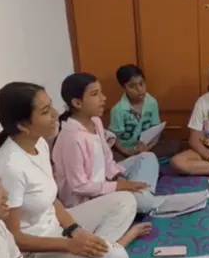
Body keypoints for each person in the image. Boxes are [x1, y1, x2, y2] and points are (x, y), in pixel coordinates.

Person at [0, 81, 150, 258]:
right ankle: (111, 250)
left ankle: (100, 252)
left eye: (51, 106)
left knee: (126, 200)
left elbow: (53, 199)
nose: (55, 115)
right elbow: (13, 239)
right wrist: (69, 245)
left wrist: (74, 231)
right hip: (34, 253)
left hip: (59, 227)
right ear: (22, 125)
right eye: (45, 111)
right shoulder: (9, 167)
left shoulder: (39, 143)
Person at [53, 72, 165, 214]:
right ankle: (142, 197)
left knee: (147, 157)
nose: (103, 98)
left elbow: (107, 159)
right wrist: (117, 186)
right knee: (144, 202)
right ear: (77, 103)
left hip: (105, 181)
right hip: (87, 199)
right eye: (95, 94)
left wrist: (118, 179)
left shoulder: (95, 121)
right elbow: (80, 187)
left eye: (101, 93)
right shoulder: (72, 138)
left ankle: (140, 194)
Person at [109, 64, 162, 158]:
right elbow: (115, 139)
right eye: (132, 86)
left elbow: (157, 130)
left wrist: (148, 148)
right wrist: (128, 152)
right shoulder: (118, 110)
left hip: (147, 146)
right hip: (126, 150)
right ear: (124, 88)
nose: (139, 89)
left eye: (141, 84)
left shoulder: (152, 102)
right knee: (111, 160)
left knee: (173, 146)